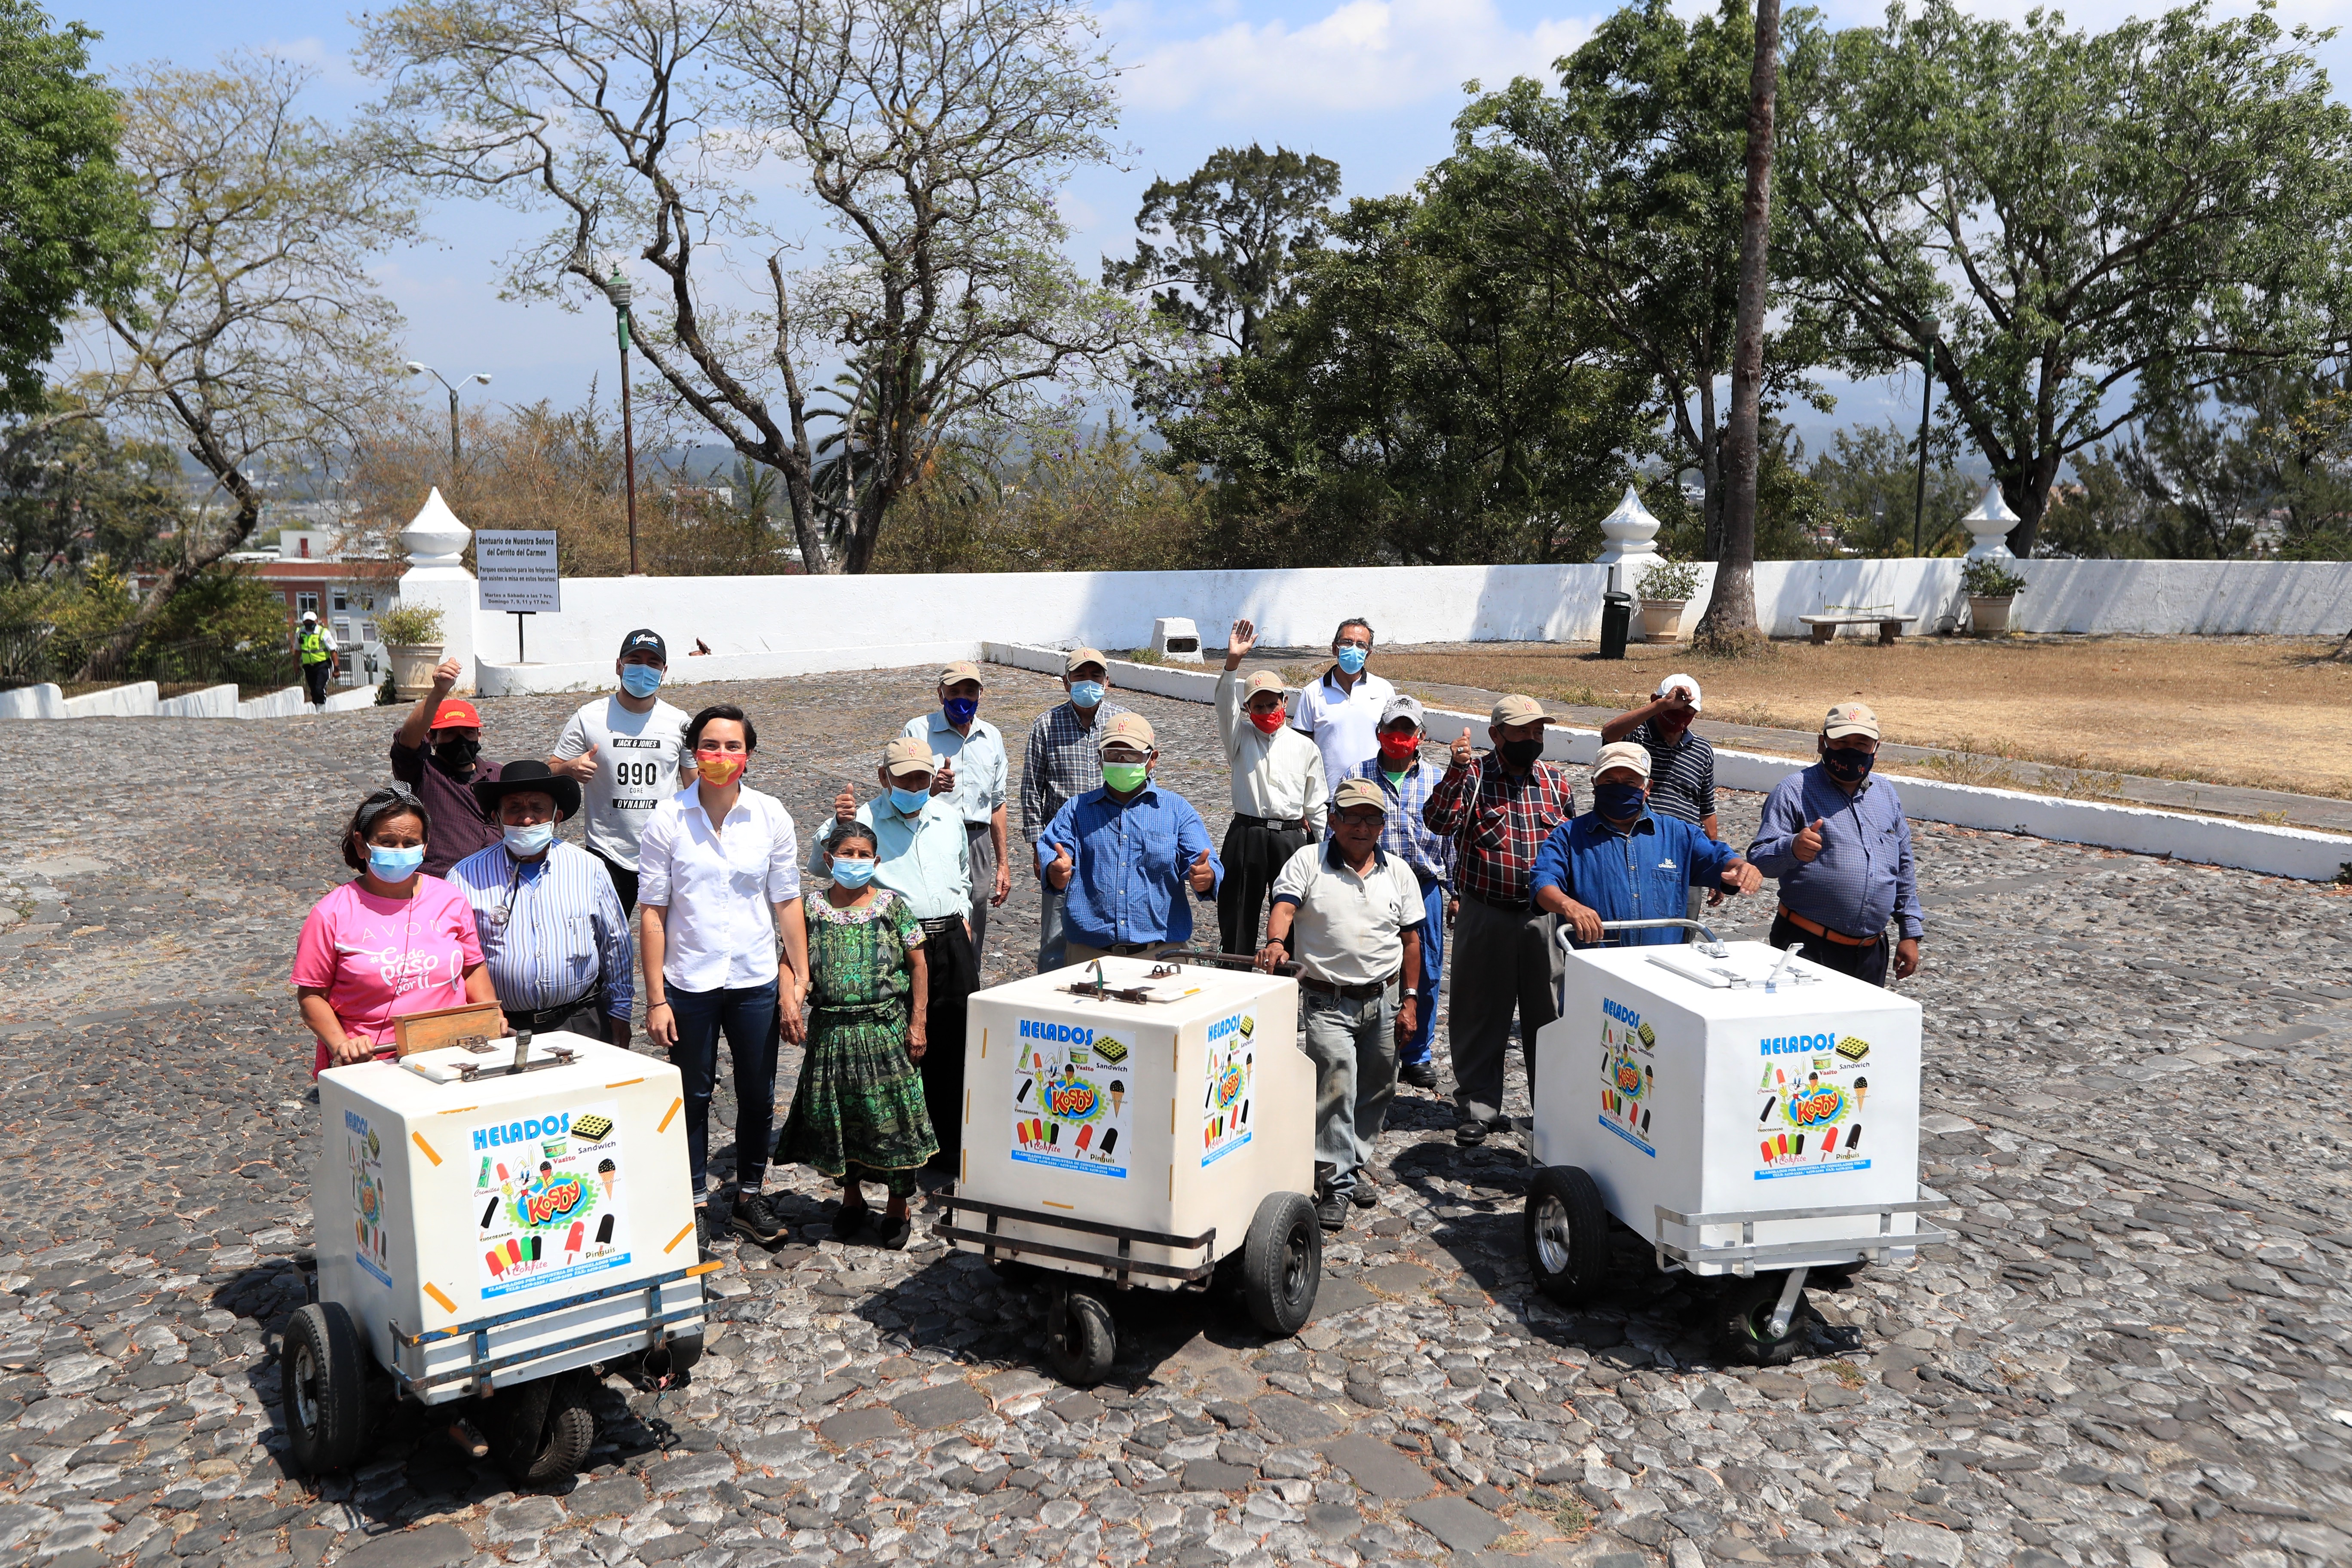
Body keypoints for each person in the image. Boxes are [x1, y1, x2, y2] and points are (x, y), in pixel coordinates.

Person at [637, 704, 810, 1250]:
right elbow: (653, 914)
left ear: (749, 756)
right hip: (689, 981)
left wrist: (798, 976)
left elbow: (787, 900)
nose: (721, 756)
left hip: (754, 978)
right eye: (710, 745)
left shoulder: (771, 816)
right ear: (694, 752)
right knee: (693, 1093)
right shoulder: (668, 820)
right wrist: (656, 999)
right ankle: (692, 1203)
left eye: (733, 747)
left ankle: (748, 1195)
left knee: (758, 1095)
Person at [1258, 778, 1426, 1230]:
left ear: (1382, 827)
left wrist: (1410, 1000)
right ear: (1333, 819)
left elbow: (1412, 941)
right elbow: (1286, 907)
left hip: (1385, 999)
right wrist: (1275, 940)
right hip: (1327, 999)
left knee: (1378, 1086)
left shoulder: (1399, 873)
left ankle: (1351, 1160)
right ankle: (1335, 1183)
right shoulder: (1308, 861)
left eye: (1372, 819)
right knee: (1335, 1084)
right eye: (1352, 816)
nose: (1361, 827)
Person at [1423, 694, 1577, 1148]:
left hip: (1542, 919)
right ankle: (1478, 1107)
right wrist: (1455, 769)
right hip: (1485, 911)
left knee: (1548, 1017)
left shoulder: (1556, 782)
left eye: (1538, 732)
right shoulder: (1472, 777)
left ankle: (1551, 1112)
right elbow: (1438, 822)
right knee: (1478, 1012)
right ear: (1497, 735)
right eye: (1523, 732)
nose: (1533, 740)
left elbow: (1571, 843)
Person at [776, 818, 937, 1248]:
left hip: (883, 1030)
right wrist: (788, 1001)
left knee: (895, 1122)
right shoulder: (810, 909)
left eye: (864, 855)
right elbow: (790, 959)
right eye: (847, 853)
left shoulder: (891, 906)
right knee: (842, 1122)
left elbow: (919, 963)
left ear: (877, 860)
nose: (855, 861)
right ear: (829, 859)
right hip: (831, 1033)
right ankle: (851, 1201)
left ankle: (898, 1206)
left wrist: (917, 1023)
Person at [826, 736, 977, 1174]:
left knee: (955, 1040)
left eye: (922, 777)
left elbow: (963, 874)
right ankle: (893, 1144)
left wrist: (962, 914)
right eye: (905, 777)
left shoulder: (948, 817)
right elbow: (826, 865)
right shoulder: (864, 819)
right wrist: (836, 824)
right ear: (883, 777)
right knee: (898, 1043)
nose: (914, 784)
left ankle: (949, 1142)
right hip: (896, 941)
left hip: (950, 939)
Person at [294, 784, 494, 1075]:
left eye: (410, 842)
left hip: (453, 1054)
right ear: (362, 844)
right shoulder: (331, 913)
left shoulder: (450, 898)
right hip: (373, 1063)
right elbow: (312, 996)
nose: (400, 851)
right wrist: (342, 1044)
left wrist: (491, 1016)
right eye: (387, 842)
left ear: (425, 847)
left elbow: (472, 969)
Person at [447, 761, 636, 1044]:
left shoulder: (589, 868)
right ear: (497, 818)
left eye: (538, 808)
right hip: (502, 1027)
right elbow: (455, 957)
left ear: (556, 818)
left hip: (581, 1020)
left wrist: (620, 1011)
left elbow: (615, 943)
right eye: (515, 808)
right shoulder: (463, 877)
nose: (526, 819)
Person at [1747, 702, 1924, 986]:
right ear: (1822, 744)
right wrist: (1791, 848)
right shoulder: (1794, 791)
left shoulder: (1887, 796)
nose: (1851, 751)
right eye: (1842, 743)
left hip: (1870, 954)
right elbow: (1759, 859)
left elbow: (1903, 866)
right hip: (1808, 946)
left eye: (1861, 744)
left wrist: (1910, 932)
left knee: (1860, 1032)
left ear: (1876, 748)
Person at [1532, 742, 1762, 949]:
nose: (1619, 788)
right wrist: (1568, 905)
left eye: (1630, 782)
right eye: (1610, 781)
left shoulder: (1678, 834)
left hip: (1660, 972)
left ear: (1647, 787)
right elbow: (1543, 884)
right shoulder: (1568, 836)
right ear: (1595, 784)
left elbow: (1720, 859)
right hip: (1595, 972)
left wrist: (1741, 867)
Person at [1037, 712, 1223, 964]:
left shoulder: (1177, 810)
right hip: (1088, 958)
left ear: (1152, 759)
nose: (1122, 762)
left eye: (1132, 755)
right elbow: (1053, 852)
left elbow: (1205, 863)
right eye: (1113, 755)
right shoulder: (1076, 810)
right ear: (1100, 760)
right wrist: (1055, 871)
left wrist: (1206, 877)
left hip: (1162, 955)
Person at [1345, 695, 1451, 1091]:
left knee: (1426, 971)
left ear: (1420, 736)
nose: (1399, 737)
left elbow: (1451, 838)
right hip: (1371, 882)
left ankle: (1416, 1053)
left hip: (1424, 887)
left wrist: (1454, 891)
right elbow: (1338, 826)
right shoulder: (1358, 773)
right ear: (1379, 732)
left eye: (1407, 730)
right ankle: (1368, 1047)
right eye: (1392, 729)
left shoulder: (1438, 779)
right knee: (1367, 965)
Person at [548, 628, 690, 915]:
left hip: (666, 849)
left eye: (653, 663)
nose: (643, 668)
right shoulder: (589, 718)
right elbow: (550, 769)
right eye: (635, 660)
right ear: (619, 666)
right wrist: (569, 768)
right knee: (601, 941)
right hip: (607, 851)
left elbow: (695, 785)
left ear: (664, 671)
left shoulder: (680, 723)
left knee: (672, 939)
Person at [1215, 620, 1329, 955]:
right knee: (1238, 912)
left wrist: (1327, 849)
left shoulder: (1304, 747)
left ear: (1285, 703)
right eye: (1258, 706)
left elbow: (1316, 804)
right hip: (1247, 834)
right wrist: (1232, 662)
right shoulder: (1239, 740)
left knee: (1293, 911)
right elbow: (1224, 705)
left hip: (1291, 837)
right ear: (1247, 709)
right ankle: (1236, 969)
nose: (1266, 712)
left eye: (1272, 704)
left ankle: (1288, 976)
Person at [1021, 649, 1130, 972]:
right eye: (1079, 677)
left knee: (1110, 925)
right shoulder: (1046, 725)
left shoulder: (1122, 724)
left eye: (1095, 676)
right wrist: (1037, 847)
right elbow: (1031, 790)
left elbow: (1144, 779)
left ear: (1107, 681)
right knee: (1056, 934)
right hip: (1062, 844)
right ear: (1066, 683)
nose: (1088, 683)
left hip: (1113, 840)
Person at [903, 660, 1010, 955]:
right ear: (941, 694)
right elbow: (897, 788)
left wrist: (1003, 863)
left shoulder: (991, 737)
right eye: (954, 691)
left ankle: (968, 988)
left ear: (980, 694)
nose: (962, 698)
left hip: (977, 839)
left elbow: (998, 803)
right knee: (932, 911)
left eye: (969, 692)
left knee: (974, 918)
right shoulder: (918, 731)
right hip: (932, 835)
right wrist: (932, 788)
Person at [1601, 674, 1721, 937]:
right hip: (1638, 851)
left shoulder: (1702, 750)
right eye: (1675, 711)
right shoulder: (1635, 736)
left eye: (1688, 713)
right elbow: (1609, 734)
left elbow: (1707, 809)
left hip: (1685, 854)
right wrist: (1661, 707)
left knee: (1682, 936)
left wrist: (1714, 861)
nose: (1680, 718)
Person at [391, 658, 503, 876]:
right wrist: (438, 691)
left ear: (480, 735)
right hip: (442, 882)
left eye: (468, 733)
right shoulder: (423, 773)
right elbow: (406, 743)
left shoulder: (497, 774)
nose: (461, 740)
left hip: (495, 880)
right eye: (450, 733)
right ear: (432, 738)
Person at [1289, 616, 1397, 793]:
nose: (1354, 648)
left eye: (1361, 645)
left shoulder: (1384, 690)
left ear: (1368, 653)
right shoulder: (1313, 692)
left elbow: (1392, 743)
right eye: (1347, 642)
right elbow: (1301, 750)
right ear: (1335, 648)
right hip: (1326, 796)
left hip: (1374, 794)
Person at [299, 611, 338, 710]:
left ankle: (321, 712)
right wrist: (295, 664)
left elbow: (333, 651)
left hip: (322, 665)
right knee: (313, 691)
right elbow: (298, 650)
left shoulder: (323, 633)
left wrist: (337, 668)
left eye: (311, 621)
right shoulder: (300, 633)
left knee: (319, 689)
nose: (309, 624)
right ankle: (318, 708)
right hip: (308, 667)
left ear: (316, 621)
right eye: (306, 622)